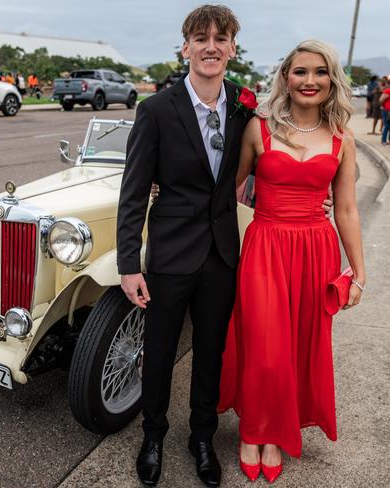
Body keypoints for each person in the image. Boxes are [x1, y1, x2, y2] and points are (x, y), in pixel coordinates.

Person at [218, 40, 366, 483]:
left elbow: (346, 209)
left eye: (320, 72)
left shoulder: (342, 137)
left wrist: (359, 272)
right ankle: (254, 430)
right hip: (265, 246)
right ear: (286, 77)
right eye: (300, 72)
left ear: (331, 80)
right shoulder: (257, 129)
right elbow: (230, 191)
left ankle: (278, 430)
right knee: (265, 347)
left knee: (299, 346)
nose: (310, 81)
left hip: (316, 252)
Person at [118, 5, 253, 487]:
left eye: (221, 38)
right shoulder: (155, 110)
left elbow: (265, 162)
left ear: (233, 48)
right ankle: (153, 435)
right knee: (158, 352)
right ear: (186, 48)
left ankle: (202, 438)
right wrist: (129, 264)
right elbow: (133, 192)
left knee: (210, 352)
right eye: (201, 38)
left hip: (221, 254)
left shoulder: (245, 104)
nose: (211, 46)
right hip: (171, 254)